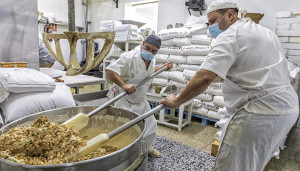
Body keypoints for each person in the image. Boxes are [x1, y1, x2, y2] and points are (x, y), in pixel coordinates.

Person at [160, 0, 299, 170]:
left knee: (231, 164)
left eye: (213, 21)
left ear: (230, 15)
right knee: (252, 164)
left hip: (261, 113)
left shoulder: (231, 34)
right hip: (286, 109)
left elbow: (205, 76)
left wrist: (177, 101)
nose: (211, 27)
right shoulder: (265, 32)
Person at [105, 35, 173, 157]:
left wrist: (162, 68)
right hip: (124, 99)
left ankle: (148, 148)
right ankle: (121, 153)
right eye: (147, 48)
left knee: (151, 125)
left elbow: (148, 72)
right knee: (123, 128)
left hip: (141, 100)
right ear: (142, 44)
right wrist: (124, 84)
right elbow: (110, 70)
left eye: (153, 51)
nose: (149, 52)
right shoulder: (129, 57)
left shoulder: (152, 60)